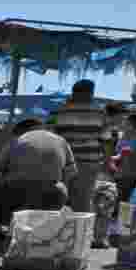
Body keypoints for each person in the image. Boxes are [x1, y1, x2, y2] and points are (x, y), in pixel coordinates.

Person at [0, 118, 76, 246]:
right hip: (53, 195)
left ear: (19, 132)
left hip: (16, 195)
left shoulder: (15, 142)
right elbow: (71, 173)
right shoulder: (61, 140)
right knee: (58, 189)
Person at [52, 79, 109, 213]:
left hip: (63, 163)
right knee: (83, 201)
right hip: (89, 163)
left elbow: (52, 136)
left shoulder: (59, 111)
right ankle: (82, 232)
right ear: (90, 93)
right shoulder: (99, 112)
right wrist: (106, 161)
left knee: (60, 199)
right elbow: (106, 140)